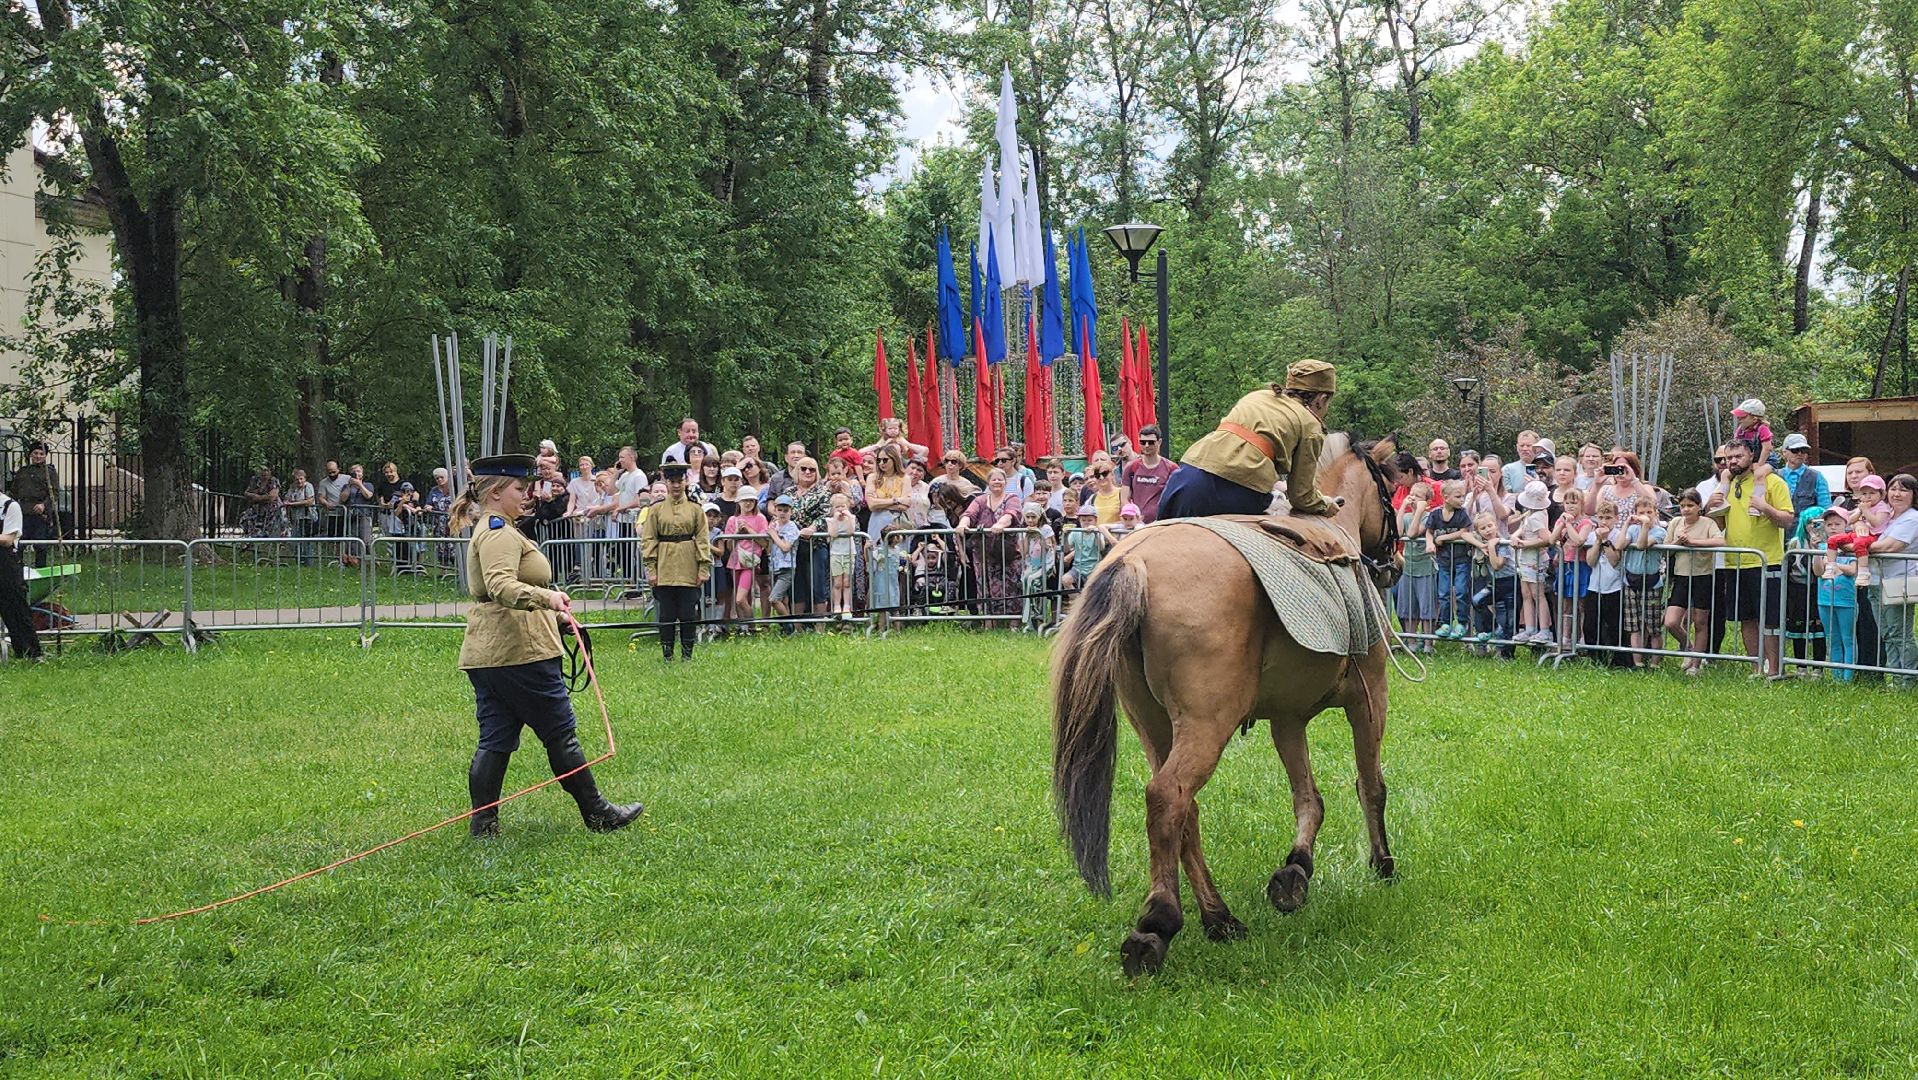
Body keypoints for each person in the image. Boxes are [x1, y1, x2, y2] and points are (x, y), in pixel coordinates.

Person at [451, 453, 643, 837]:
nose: (528, 495)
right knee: (559, 733)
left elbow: (506, 593)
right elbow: (501, 587)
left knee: (497, 739)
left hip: (494, 652)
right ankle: (598, 813)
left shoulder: (498, 529)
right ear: (495, 493)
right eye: (519, 489)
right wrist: (550, 599)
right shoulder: (499, 533)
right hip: (521, 653)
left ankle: (484, 825)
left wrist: (558, 619)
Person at [1162, 359, 1340, 519]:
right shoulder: (1310, 425)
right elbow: (1301, 496)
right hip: (1238, 489)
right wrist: (1324, 504)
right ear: (1321, 399)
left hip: (1189, 473)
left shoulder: (1257, 396)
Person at [1712, 439, 1796, 678]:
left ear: (1752, 455)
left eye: (1738, 456)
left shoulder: (1772, 482)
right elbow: (1721, 524)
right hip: (1735, 561)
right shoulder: (1727, 484)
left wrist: (1765, 507)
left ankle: (1776, 669)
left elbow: (1787, 520)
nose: (1732, 461)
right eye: (1729, 458)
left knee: (1769, 620)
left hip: (1766, 560)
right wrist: (1713, 506)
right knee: (1746, 618)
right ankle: (1756, 668)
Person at [640, 462, 712, 660]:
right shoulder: (656, 510)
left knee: (688, 614)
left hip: (688, 565)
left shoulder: (696, 509)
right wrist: (651, 568)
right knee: (667, 615)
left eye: (679, 481)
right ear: (666, 482)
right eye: (672, 481)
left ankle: (687, 655)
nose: (676, 486)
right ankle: (667, 654)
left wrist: (703, 567)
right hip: (665, 565)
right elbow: (648, 539)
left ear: (685, 482)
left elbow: (703, 539)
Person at [1664, 488, 1726, 675]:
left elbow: (1720, 541)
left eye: (1690, 506)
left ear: (1699, 506)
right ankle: (1688, 646)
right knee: (1671, 621)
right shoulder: (1675, 522)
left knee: (1701, 622)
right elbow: (1666, 549)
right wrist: (1678, 542)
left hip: (1703, 577)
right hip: (1681, 576)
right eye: (1682, 506)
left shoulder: (1707, 523)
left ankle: (1696, 664)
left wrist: (1693, 542)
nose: (1686, 510)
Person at [1867, 474, 1918, 687]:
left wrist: (1856, 546)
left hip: (1900, 582)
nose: (1897, 494)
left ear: (1913, 495)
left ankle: (1909, 678)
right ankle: (1895, 677)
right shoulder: (1886, 517)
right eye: (1893, 489)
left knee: (1900, 632)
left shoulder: (1912, 518)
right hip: (1877, 580)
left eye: (1903, 490)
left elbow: (1890, 546)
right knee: (1887, 633)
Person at [958, 468, 1024, 623]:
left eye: (1000, 479)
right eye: (993, 479)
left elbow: (1011, 514)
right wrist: (963, 524)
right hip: (983, 554)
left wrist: (1000, 524)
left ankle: (1013, 623)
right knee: (985, 587)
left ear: (1005, 482)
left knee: (1011, 586)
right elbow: (969, 514)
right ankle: (989, 622)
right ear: (988, 482)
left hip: (1007, 553)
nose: (997, 482)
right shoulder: (980, 500)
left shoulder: (1011, 498)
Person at [1815, 507, 1861, 681]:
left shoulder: (1851, 546)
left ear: (1846, 525)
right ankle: (1836, 677)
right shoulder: (1822, 546)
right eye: (1829, 524)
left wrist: (1833, 564)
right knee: (1832, 639)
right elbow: (1818, 572)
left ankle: (1848, 677)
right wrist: (1818, 555)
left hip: (1846, 600)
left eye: (1837, 524)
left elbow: (1853, 570)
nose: (1833, 527)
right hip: (1825, 599)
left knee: (1848, 638)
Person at [1427, 480, 1476, 639]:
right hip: (1444, 560)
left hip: (1462, 559)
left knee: (1461, 591)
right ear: (1446, 497)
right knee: (1444, 592)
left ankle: (1462, 622)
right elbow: (1429, 531)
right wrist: (1430, 543)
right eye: (1458, 496)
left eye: (1463, 496)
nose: (1462, 500)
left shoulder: (1462, 513)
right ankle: (1445, 622)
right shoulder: (1435, 514)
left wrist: (1444, 537)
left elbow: (1464, 531)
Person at [1465, 511, 1517, 656]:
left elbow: (1497, 565)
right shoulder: (1483, 543)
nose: (1488, 530)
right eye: (1483, 528)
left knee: (1509, 620)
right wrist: (1481, 545)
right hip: (1495, 583)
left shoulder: (1503, 542)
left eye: (1490, 526)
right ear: (1478, 532)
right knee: (1477, 600)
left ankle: (1506, 653)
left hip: (1510, 582)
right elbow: (1464, 534)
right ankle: (1494, 629)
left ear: (1495, 525)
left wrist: (1492, 547)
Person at [0, 489, 44, 660]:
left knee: (16, 611)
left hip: (6, 565)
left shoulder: (10, 506)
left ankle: (30, 654)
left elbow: (8, 539)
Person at [1395, 481, 1439, 651]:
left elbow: (1412, 533)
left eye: (1418, 496)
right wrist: (1401, 510)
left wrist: (1420, 510)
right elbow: (1399, 533)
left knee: (1427, 607)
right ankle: (1411, 642)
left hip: (1425, 567)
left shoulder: (1429, 517)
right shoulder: (1406, 517)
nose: (1412, 498)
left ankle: (1428, 643)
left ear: (1427, 502)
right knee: (1409, 607)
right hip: (1409, 567)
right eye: (1411, 494)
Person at [1513, 480, 1555, 644]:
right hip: (1526, 560)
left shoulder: (1538, 516)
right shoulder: (1531, 514)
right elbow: (1522, 528)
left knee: (1538, 594)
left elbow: (1546, 539)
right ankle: (1529, 628)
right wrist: (1515, 536)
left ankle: (1544, 630)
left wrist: (1524, 544)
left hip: (1535, 560)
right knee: (1526, 594)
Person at [6, 441, 59, 565]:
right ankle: (18, 574)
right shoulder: (23, 471)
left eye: (42, 453)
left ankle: (41, 573)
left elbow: (54, 493)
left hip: (40, 514)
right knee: (18, 545)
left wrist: (44, 505)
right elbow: (14, 492)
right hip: (22, 512)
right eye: (35, 453)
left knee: (41, 546)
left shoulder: (49, 472)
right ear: (30, 454)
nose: (38, 456)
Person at [725, 485, 768, 624]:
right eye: (744, 500)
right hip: (736, 561)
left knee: (740, 598)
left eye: (751, 500)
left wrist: (749, 530)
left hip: (750, 561)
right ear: (738, 502)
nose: (748, 503)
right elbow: (729, 546)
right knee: (743, 598)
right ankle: (744, 627)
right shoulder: (732, 520)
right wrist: (737, 533)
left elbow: (765, 543)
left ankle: (751, 625)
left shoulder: (760, 518)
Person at [1120, 425, 1178, 523]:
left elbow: (1176, 499)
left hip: (1161, 525)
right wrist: (1131, 518)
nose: (1146, 445)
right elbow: (1124, 498)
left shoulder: (1171, 469)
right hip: (1136, 526)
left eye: (1151, 442)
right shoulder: (1131, 468)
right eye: (1143, 442)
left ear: (1159, 442)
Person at [766, 495, 800, 625]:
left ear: (791, 511)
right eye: (780, 510)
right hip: (774, 566)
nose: (782, 513)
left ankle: (789, 625)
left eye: (786, 510)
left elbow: (786, 547)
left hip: (787, 568)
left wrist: (773, 534)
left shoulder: (792, 527)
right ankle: (786, 630)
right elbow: (769, 548)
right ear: (775, 510)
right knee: (783, 600)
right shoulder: (774, 525)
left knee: (774, 599)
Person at [826, 492, 859, 617]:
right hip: (836, 553)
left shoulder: (851, 518)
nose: (840, 509)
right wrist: (835, 519)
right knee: (838, 582)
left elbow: (850, 531)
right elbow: (833, 533)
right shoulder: (830, 520)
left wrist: (849, 517)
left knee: (847, 581)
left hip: (849, 553)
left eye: (843, 506)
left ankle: (847, 605)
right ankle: (836, 605)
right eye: (837, 507)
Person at [870, 522, 908, 632]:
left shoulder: (898, 550)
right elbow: (869, 559)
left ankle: (897, 630)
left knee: (895, 606)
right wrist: (866, 548)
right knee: (883, 608)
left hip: (893, 581)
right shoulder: (880, 550)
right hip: (882, 581)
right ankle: (881, 629)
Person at [283, 467, 318, 565]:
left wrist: (292, 504)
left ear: (305, 478)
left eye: (301, 478)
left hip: (308, 518)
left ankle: (308, 563)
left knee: (307, 542)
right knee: (295, 540)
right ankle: (299, 561)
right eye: (297, 479)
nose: (299, 481)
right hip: (296, 518)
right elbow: (287, 499)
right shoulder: (292, 488)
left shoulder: (308, 486)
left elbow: (309, 501)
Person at [241, 465, 284, 540]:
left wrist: (258, 497)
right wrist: (254, 495)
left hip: (272, 508)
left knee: (270, 527)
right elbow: (246, 493)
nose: (265, 472)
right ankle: (251, 540)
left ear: (270, 471)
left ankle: (271, 543)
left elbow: (272, 496)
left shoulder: (274, 480)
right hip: (257, 508)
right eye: (262, 470)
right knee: (245, 518)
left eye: (267, 470)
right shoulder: (255, 480)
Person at [1731, 399, 1774, 464]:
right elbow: (1735, 446)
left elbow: (1767, 448)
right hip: (1749, 460)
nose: (1739, 419)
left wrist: (1760, 464)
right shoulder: (1741, 430)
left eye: (1742, 417)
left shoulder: (1762, 429)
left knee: (1759, 473)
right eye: (1738, 417)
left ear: (1754, 419)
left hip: (1766, 460)